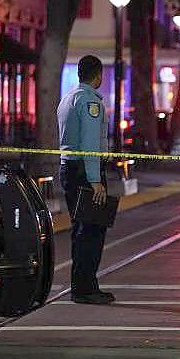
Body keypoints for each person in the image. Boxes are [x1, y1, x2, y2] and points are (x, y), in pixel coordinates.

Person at [57, 55, 115, 305]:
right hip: (85, 171)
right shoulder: (91, 102)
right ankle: (85, 289)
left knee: (80, 230)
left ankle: (81, 285)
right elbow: (90, 144)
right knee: (92, 230)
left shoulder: (67, 99)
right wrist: (95, 180)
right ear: (98, 75)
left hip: (68, 168)